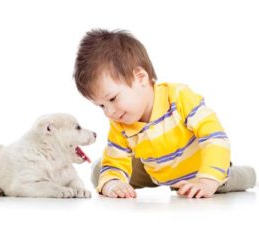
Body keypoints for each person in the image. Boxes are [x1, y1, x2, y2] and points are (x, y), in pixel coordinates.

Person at [73, 29, 256, 198]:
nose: (109, 112)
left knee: (220, 178)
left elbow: (215, 137)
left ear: (140, 77)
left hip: (197, 168)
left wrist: (207, 181)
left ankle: (246, 174)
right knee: (101, 171)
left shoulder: (178, 98)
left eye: (112, 99)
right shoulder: (120, 123)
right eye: (101, 106)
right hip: (154, 170)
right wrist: (113, 183)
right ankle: (155, 182)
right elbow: (115, 159)